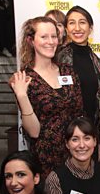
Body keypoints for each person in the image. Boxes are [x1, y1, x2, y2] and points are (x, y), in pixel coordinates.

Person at [10, 16, 71, 177]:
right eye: (44, 37)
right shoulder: (23, 79)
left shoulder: (68, 72)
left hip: (75, 155)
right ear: (31, 40)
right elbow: (34, 132)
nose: (50, 41)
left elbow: (78, 114)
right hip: (45, 162)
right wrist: (22, 95)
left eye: (54, 36)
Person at [44, 117, 100, 194]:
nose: (81, 145)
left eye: (87, 138)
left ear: (94, 141)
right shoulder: (55, 179)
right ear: (67, 144)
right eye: (75, 139)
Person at [55, 5, 100, 127]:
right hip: (65, 129)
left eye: (82, 22)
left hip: (91, 130)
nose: (77, 28)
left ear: (90, 28)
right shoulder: (57, 58)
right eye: (72, 23)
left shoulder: (99, 63)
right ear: (66, 29)